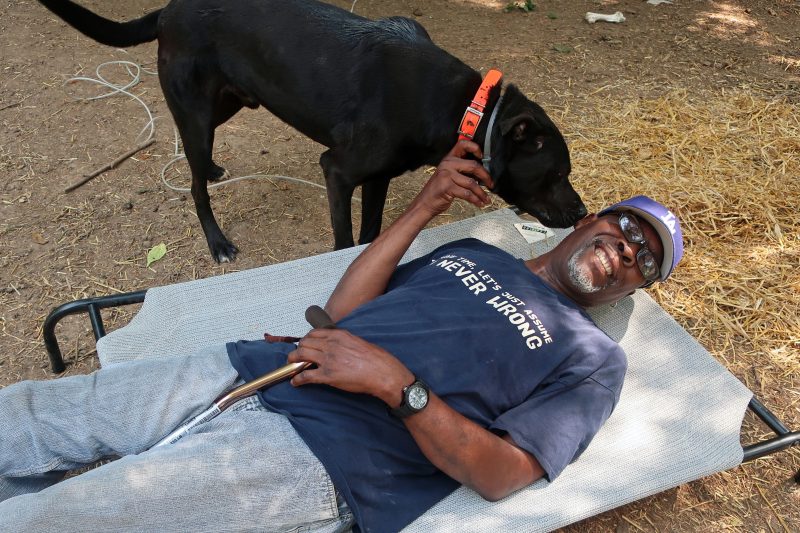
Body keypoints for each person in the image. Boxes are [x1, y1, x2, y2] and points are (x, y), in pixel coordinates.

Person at [0, 140, 683, 533]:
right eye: (626, 230)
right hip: (260, 366)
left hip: (326, 455)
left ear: (634, 287)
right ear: (592, 217)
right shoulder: (478, 254)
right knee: (43, 412)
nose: (626, 253)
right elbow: (344, 309)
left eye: (644, 262)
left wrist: (399, 385)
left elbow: (502, 473)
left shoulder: (594, 359)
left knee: (80, 514)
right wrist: (425, 205)